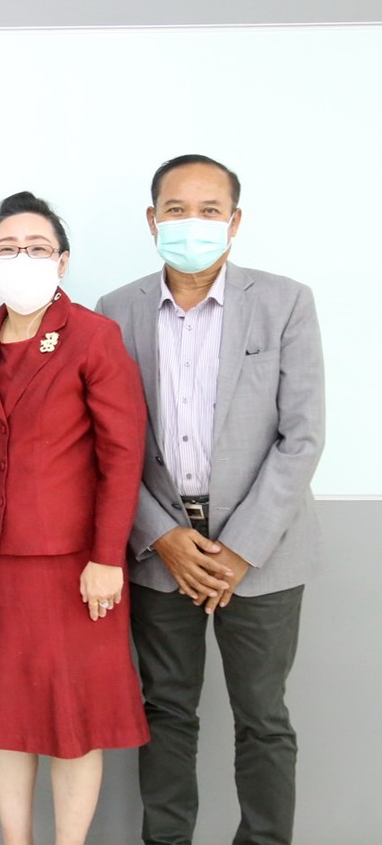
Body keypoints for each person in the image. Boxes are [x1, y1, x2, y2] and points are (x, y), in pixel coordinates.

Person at [96, 154, 325, 845]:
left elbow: (302, 436)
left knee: (263, 717)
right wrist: (160, 535)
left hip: (264, 553)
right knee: (165, 711)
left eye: (208, 210)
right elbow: (108, 444)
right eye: (175, 210)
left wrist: (240, 549)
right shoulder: (115, 311)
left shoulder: (285, 302)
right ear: (151, 219)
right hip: (160, 549)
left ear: (234, 220)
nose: (190, 223)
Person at [0, 191, 149, 845]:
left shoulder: (93, 336)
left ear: (62, 260)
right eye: (7, 249)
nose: (21, 258)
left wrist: (107, 557)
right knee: (4, 717)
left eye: (36, 248)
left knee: (74, 719)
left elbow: (122, 454)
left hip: (76, 567)